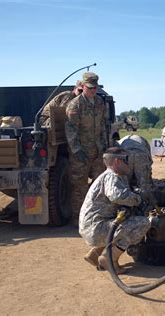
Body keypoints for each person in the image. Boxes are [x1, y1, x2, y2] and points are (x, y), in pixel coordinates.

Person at [79, 147, 151, 274]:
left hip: (92, 226)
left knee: (125, 220)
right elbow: (117, 195)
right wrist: (138, 199)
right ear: (117, 161)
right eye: (126, 160)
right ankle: (109, 258)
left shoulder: (109, 176)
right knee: (142, 223)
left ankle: (95, 254)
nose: (129, 163)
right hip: (97, 229)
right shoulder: (112, 176)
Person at [65, 72, 108, 225]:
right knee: (79, 187)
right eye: (90, 87)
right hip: (81, 154)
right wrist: (77, 151)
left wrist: (104, 147)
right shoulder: (75, 105)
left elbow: (103, 127)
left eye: (95, 87)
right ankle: (78, 220)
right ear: (82, 86)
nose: (93, 90)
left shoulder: (100, 103)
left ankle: (96, 217)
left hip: (97, 152)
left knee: (99, 185)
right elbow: (71, 131)